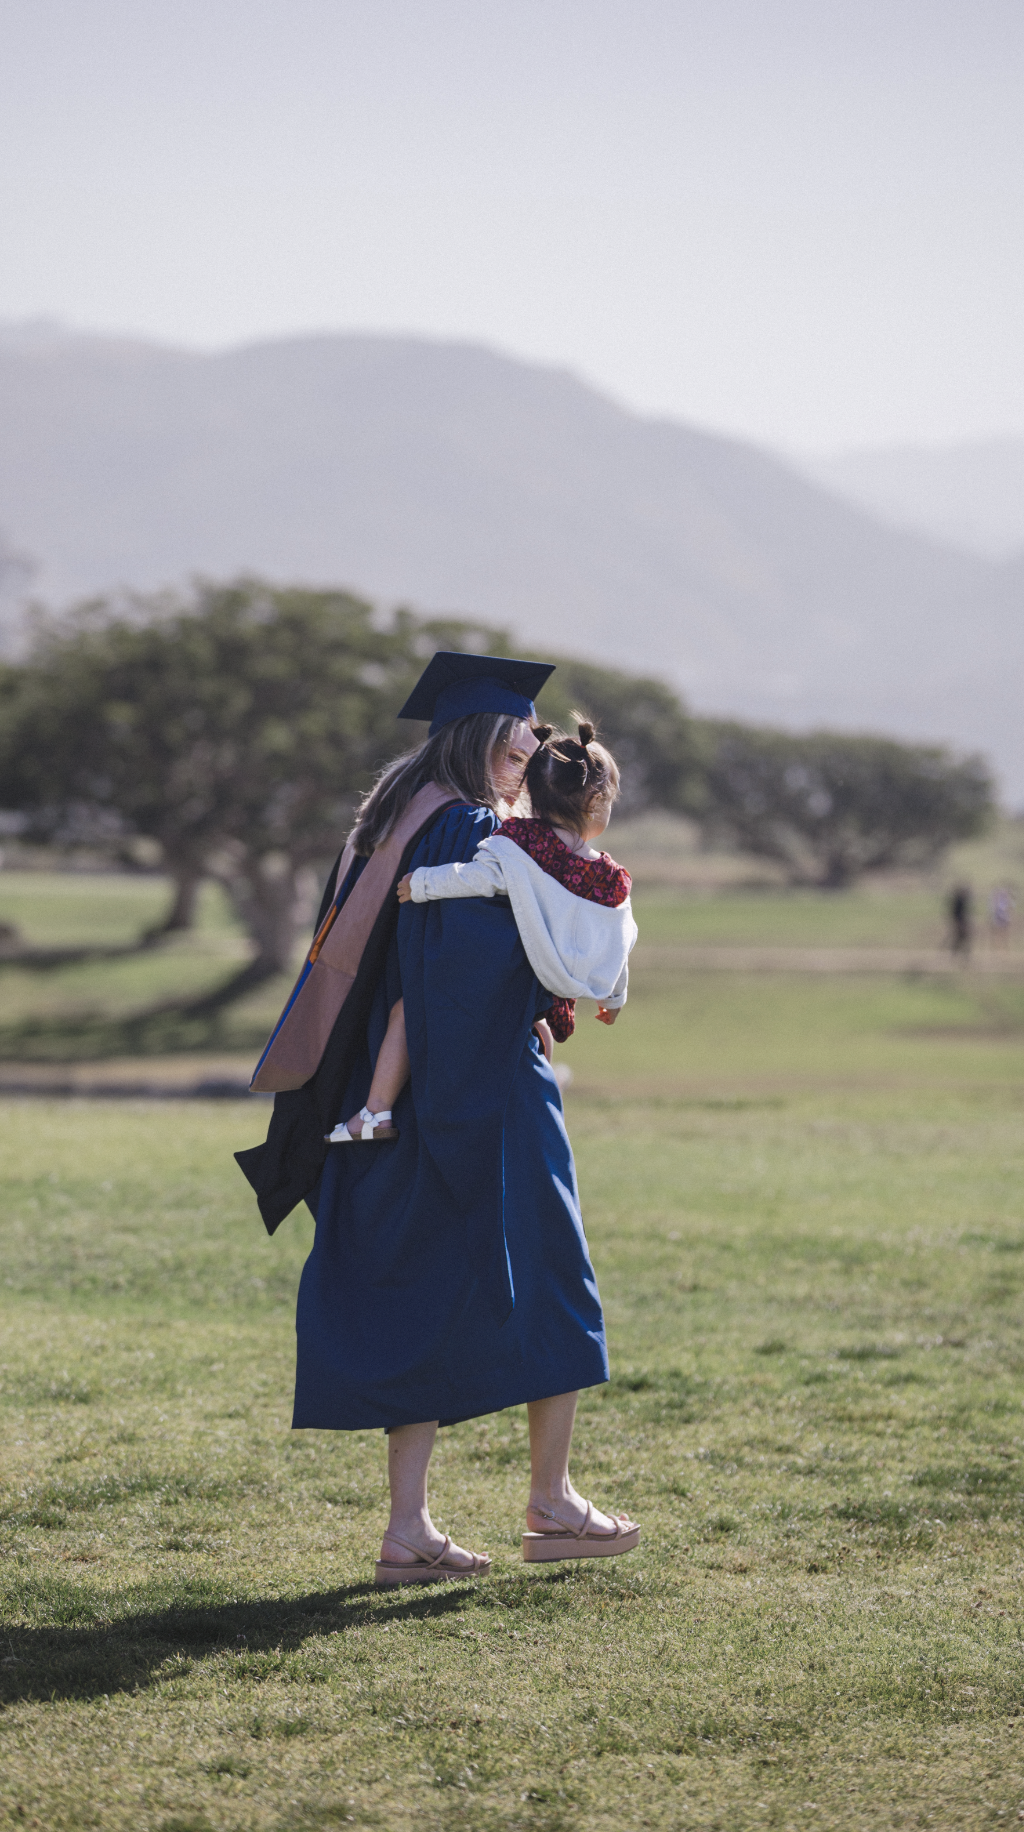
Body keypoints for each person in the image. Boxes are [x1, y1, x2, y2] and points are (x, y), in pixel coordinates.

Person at [235, 651, 640, 1587]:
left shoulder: (390, 818)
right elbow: (462, 971)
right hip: (474, 1089)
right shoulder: (464, 829)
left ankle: (409, 1526)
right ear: (487, 742)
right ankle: (553, 1503)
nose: (532, 753)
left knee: (414, 1290)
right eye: (521, 739)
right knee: (552, 1277)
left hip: (384, 1096)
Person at [329, 719, 635, 1143]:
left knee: (406, 1012)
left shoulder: (516, 844)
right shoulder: (612, 878)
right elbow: (621, 937)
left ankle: (375, 1112)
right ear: (597, 799)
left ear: (532, 791)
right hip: (562, 989)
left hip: (505, 988)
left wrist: (420, 883)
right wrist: (613, 996)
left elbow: (475, 878)